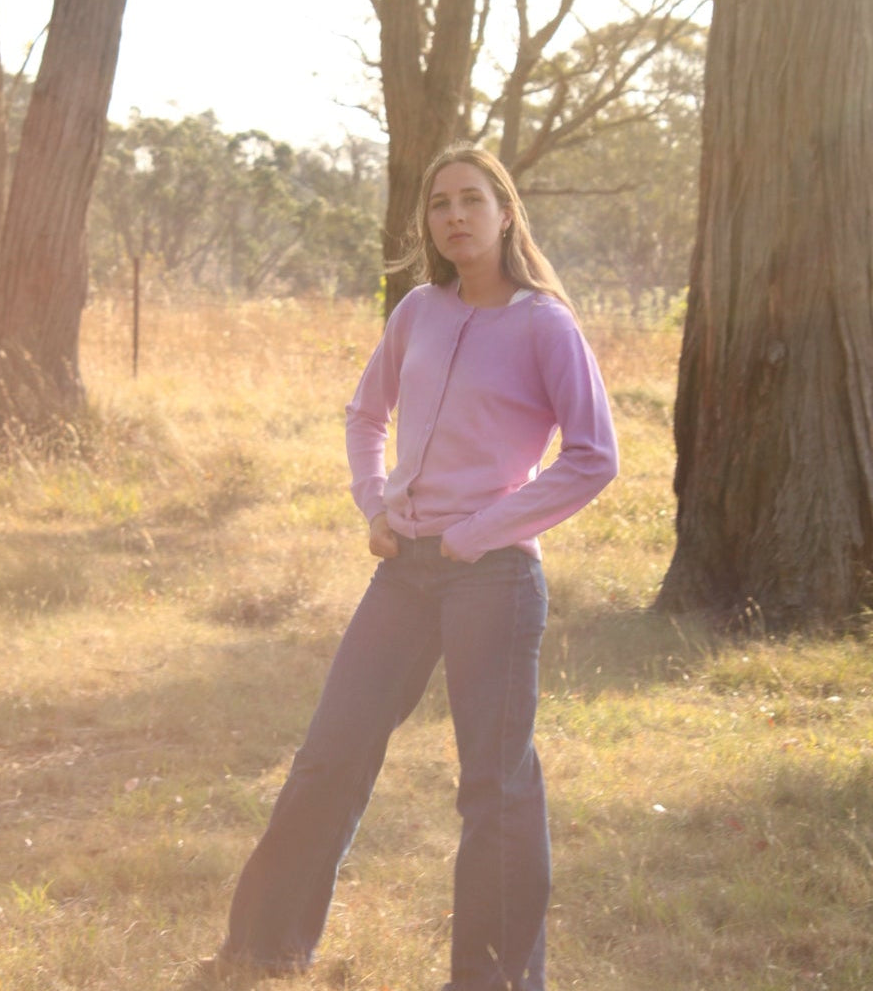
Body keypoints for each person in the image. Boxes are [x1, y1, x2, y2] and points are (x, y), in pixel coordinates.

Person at [208, 147, 619, 990]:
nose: (455, 216)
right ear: (427, 223)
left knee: (493, 786)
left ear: (507, 214)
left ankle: (494, 981)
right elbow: (366, 413)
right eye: (440, 204)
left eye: (473, 200)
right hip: (402, 575)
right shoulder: (417, 312)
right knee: (331, 752)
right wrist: (374, 504)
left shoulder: (546, 324)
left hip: (493, 580)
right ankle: (264, 948)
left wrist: (482, 531)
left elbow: (593, 457)